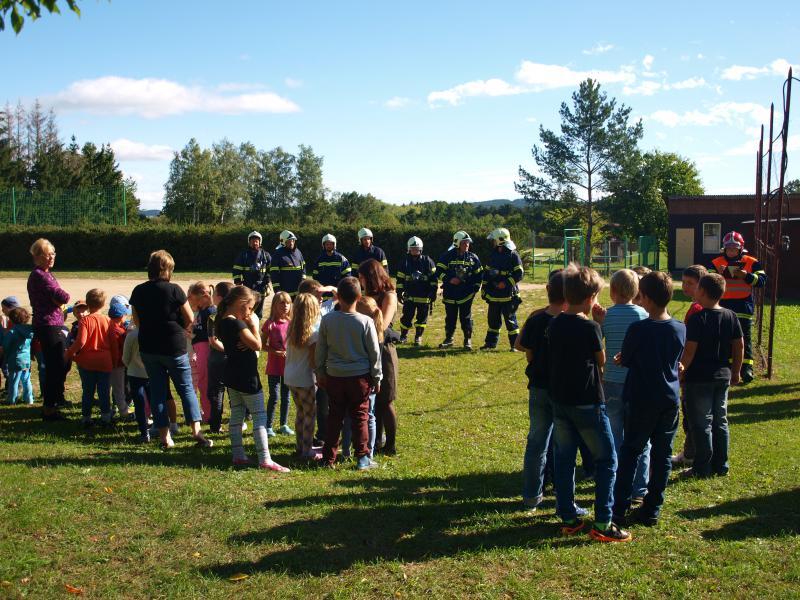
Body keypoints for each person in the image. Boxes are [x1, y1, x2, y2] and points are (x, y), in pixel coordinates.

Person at [547, 265, 631, 542]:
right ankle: (603, 522)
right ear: (590, 298)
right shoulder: (590, 327)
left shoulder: (555, 323)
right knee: (606, 459)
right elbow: (601, 360)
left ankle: (568, 517)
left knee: (564, 459)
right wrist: (599, 324)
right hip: (587, 402)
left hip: (560, 400)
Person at [611, 272, 686, 527]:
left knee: (631, 451)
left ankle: (619, 508)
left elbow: (627, 358)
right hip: (669, 399)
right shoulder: (679, 328)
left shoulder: (639, 329)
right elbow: (674, 359)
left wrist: (622, 358)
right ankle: (652, 508)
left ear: (648, 299)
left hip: (641, 399)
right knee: (662, 455)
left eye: (641, 296)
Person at [130, 250, 212, 450]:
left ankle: (165, 437)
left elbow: (136, 321)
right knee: (186, 389)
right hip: (173, 347)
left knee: (157, 392)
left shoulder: (138, 291)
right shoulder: (175, 290)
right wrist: (178, 326)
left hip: (149, 347)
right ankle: (196, 432)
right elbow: (189, 318)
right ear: (167, 269)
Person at [592, 269, 650, 505]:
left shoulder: (607, 316)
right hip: (638, 381)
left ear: (613, 291)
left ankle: (615, 482)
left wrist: (598, 322)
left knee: (613, 434)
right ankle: (639, 488)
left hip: (612, 381)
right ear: (637, 292)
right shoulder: (644, 315)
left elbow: (598, 344)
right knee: (640, 437)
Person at [217, 285, 289, 472]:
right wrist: (253, 326)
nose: (250, 312)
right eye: (249, 308)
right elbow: (257, 344)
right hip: (246, 375)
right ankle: (265, 459)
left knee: (237, 413)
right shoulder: (238, 324)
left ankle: (238, 454)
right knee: (259, 416)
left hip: (231, 374)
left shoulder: (222, 320)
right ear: (240, 303)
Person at [680, 273, 744, 478]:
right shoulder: (730, 315)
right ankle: (721, 464)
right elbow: (739, 345)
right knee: (720, 422)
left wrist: (681, 372)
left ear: (702, 291)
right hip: (722, 376)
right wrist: (736, 371)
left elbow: (689, 351)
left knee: (701, 424)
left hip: (699, 379)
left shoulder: (698, 318)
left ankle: (702, 467)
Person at [315, 277, 382, 470]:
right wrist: (377, 377)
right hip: (360, 377)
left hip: (335, 376)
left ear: (339, 297)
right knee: (360, 417)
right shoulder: (366, 321)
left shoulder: (327, 320)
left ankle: (328, 458)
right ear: (359, 297)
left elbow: (321, 350)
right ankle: (362, 458)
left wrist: (320, 372)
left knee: (334, 416)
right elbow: (374, 353)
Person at [516, 270, 565, 510]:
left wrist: (533, 356)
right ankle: (563, 496)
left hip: (538, 386)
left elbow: (521, 346)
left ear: (547, 290)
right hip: (563, 389)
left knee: (536, 442)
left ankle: (531, 497)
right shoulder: (574, 321)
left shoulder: (536, 318)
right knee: (564, 443)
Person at [708, 231, 765, 384]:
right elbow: (708, 282)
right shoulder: (716, 262)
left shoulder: (751, 262)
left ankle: (747, 368)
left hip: (743, 306)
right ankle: (726, 367)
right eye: (729, 249)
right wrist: (719, 275)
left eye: (734, 249)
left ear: (740, 249)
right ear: (724, 249)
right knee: (724, 337)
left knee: (744, 338)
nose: (731, 252)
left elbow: (762, 281)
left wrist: (746, 276)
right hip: (723, 306)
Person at [357, 259, 399, 455]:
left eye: (362, 277)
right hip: (367, 349)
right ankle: (377, 441)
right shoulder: (366, 296)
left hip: (384, 350)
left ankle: (390, 445)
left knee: (386, 399)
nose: (360, 281)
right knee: (373, 399)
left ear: (370, 276)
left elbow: (383, 324)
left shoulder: (389, 296)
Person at [27, 238, 71, 420]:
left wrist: (57, 300)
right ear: (37, 256)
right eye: (47, 254)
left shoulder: (47, 274)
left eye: (53, 253)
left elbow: (58, 298)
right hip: (48, 325)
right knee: (55, 366)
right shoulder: (40, 275)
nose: (52, 257)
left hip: (52, 324)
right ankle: (49, 408)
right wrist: (58, 299)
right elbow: (63, 296)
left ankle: (55, 400)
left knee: (60, 364)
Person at [672, 264, 707, 468]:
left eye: (690, 283)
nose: (685, 286)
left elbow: (690, 342)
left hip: (692, 367)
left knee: (692, 412)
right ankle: (691, 451)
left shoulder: (697, 309)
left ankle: (691, 454)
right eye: (683, 282)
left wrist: (683, 367)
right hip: (698, 367)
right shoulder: (697, 306)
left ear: (701, 286)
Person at [65, 289, 116, 427]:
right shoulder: (108, 320)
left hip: (88, 361)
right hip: (105, 361)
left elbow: (81, 341)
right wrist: (115, 359)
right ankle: (106, 417)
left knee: (88, 391)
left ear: (87, 304)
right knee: (104, 391)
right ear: (104, 304)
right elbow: (113, 343)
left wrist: (70, 353)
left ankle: (86, 417)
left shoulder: (85, 321)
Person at [342, 295, 383, 459]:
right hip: (368, 378)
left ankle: (346, 451)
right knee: (369, 416)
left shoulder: (361, 327)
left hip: (355, 376)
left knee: (348, 415)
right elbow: (376, 359)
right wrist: (377, 378)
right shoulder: (378, 331)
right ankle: (369, 452)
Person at [284, 293, 321, 461]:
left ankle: (300, 447)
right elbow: (313, 361)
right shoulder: (313, 333)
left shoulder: (292, 328)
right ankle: (307, 450)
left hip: (290, 376)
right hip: (305, 378)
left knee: (300, 413)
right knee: (310, 415)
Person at [437, 231, 483, 350]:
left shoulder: (473, 258)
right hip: (450, 293)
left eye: (468, 242)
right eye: (464, 242)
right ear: (457, 243)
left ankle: (467, 340)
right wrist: (449, 279)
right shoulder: (447, 256)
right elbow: (439, 272)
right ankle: (449, 339)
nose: (467, 245)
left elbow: (479, 274)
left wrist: (476, 287)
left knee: (465, 317)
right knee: (450, 318)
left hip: (466, 293)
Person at [481, 227, 524, 351]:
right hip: (494, 294)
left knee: (510, 321)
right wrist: (484, 288)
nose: (493, 242)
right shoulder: (494, 254)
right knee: (493, 321)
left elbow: (519, 274)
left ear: (500, 241)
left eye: (494, 240)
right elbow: (487, 273)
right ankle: (490, 344)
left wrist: (505, 283)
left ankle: (515, 345)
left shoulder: (513, 255)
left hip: (508, 294)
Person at [262, 291, 294, 437]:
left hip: (288, 366)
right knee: (274, 396)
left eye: (288, 303)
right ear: (274, 305)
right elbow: (262, 345)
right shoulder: (270, 324)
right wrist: (276, 352)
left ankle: (283, 424)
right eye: (282, 303)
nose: (285, 306)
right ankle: (268, 426)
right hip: (274, 366)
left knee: (286, 396)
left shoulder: (291, 323)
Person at [397, 236, 437, 346]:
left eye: (417, 248)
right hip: (409, 296)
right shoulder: (404, 262)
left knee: (422, 318)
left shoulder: (427, 261)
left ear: (421, 249)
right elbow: (400, 279)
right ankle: (403, 336)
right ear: (409, 249)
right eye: (413, 248)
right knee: (406, 317)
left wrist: (433, 292)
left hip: (424, 296)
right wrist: (399, 292)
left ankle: (418, 337)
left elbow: (434, 279)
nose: (415, 250)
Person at [207, 281, 235, 434]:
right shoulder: (236, 316)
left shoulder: (213, 317)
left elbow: (213, 341)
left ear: (219, 297)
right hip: (233, 359)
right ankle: (237, 422)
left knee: (217, 393)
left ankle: (215, 426)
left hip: (217, 360)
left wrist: (226, 350)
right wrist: (232, 351)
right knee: (234, 392)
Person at [187, 282, 214, 423]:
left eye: (192, 298)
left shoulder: (210, 312)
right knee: (203, 381)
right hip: (199, 349)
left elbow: (210, 334)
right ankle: (207, 412)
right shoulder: (202, 311)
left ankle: (209, 415)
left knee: (205, 382)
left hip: (205, 349)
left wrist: (193, 334)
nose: (190, 302)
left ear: (202, 297)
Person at [121, 323, 152, 443]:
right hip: (152, 372)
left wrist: (130, 366)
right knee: (155, 401)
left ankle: (144, 433)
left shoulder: (132, 335)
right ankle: (161, 429)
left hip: (135, 373)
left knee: (139, 404)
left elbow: (125, 358)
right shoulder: (154, 333)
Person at [232, 231, 272, 319]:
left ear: (260, 242)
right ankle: (246, 320)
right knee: (247, 306)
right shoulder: (243, 255)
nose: (255, 243)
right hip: (248, 285)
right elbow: (237, 269)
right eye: (252, 241)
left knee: (259, 307)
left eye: (256, 241)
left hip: (261, 286)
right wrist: (238, 282)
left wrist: (267, 282)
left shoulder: (266, 255)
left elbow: (270, 270)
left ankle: (257, 321)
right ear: (249, 242)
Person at [2, 306, 35, 405]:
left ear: (11, 319)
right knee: (26, 380)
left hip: (15, 360)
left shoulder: (12, 332)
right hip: (26, 359)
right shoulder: (29, 330)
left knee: (14, 381)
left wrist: (5, 353)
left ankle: (12, 400)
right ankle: (29, 399)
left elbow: (6, 345)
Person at [108, 294, 132, 420]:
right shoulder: (120, 331)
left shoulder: (107, 326)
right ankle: (124, 411)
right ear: (122, 316)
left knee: (108, 387)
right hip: (118, 363)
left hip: (107, 363)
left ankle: (108, 409)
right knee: (119, 389)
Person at [312, 234, 351, 298]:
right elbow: (315, 277)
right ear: (323, 245)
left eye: (331, 244)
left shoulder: (341, 259)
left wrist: (342, 289)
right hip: (323, 295)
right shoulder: (319, 260)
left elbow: (347, 276)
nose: (329, 246)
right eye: (327, 244)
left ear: (334, 245)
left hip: (337, 294)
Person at [270, 230, 306, 298]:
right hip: (285, 293)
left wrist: (303, 280)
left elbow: (303, 267)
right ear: (283, 242)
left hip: (298, 292)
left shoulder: (298, 252)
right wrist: (277, 289)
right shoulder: (278, 254)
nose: (291, 243)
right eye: (289, 241)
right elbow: (274, 274)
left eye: (293, 240)